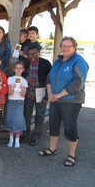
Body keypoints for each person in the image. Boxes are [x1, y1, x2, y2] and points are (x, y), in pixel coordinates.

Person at [39, 37, 88, 167]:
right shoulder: (58, 61)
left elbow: (78, 83)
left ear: (74, 47)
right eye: (63, 46)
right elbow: (49, 78)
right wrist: (50, 93)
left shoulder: (79, 61)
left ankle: (71, 154)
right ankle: (52, 148)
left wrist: (59, 95)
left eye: (68, 46)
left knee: (69, 127)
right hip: (55, 99)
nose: (65, 48)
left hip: (71, 101)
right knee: (53, 124)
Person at [22, 46, 52, 146]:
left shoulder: (45, 63)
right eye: (30, 54)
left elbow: (51, 80)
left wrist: (47, 96)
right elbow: (18, 72)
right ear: (27, 55)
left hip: (41, 93)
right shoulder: (25, 63)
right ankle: (26, 134)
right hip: (29, 93)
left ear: (39, 53)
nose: (33, 56)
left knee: (40, 115)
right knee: (27, 114)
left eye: (35, 54)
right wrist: (26, 77)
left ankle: (36, 135)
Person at [5, 61, 28, 148]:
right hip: (11, 100)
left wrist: (22, 88)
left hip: (19, 101)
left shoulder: (24, 81)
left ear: (23, 70)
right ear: (14, 69)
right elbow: (10, 93)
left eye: (20, 68)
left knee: (18, 119)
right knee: (10, 118)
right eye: (17, 68)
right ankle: (11, 138)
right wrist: (12, 87)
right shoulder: (10, 79)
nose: (18, 70)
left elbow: (23, 95)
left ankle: (17, 138)